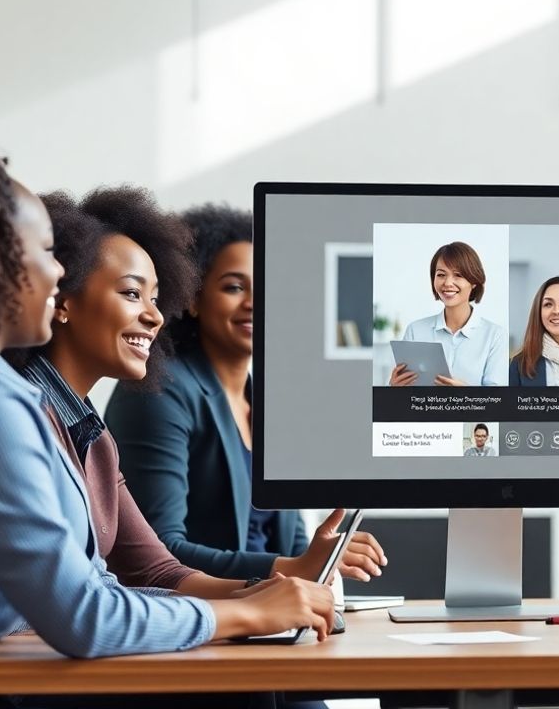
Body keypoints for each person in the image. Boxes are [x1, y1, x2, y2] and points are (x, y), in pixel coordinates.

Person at [0, 140, 334, 706]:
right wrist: (243, 612)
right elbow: (84, 614)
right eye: (45, 250)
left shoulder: (49, 412)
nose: (58, 270)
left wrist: (268, 591)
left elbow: (147, 572)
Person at [105, 202, 385, 583]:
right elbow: (158, 552)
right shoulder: (159, 391)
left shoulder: (274, 403)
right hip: (202, 618)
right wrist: (290, 568)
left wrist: (320, 558)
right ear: (193, 298)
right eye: (234, 287)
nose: (255, 303)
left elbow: (290, 539)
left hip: (272, 615)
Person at [389, 241, 507, 387]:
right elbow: (402, 401)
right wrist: (392, 389)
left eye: (458, 275)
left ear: (474, 281)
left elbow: (499, 403)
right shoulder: (415, 330)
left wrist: (464, 395)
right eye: (441, 275)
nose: (448, 283)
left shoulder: (495, 335)